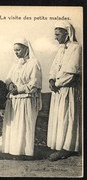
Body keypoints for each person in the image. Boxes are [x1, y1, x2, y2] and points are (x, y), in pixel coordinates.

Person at [47, 21, 82, 161]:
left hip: (68, 89)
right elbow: (54, 68)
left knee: (67, 117)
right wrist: (51, 80)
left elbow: (72, 72)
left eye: (58, 34)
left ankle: (68, 148)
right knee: (58, 117)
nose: (56, 38)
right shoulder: (61, 50)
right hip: (58, 90)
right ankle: (58, 145)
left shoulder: (76, 48)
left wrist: (58, 83)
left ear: (67, 33)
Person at [2, 38, 42, 159]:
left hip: (26, 99)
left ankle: (25, 153)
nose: (16, 53)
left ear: (25, 49)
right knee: (14, 126)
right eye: (15, 50)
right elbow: (8, 78)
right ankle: (12, 151)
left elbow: (34, 83)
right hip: (14, 100)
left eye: (18, 50)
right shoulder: (15, 64)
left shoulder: (34, 63)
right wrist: (10, 85)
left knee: (25, 126)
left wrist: (19, 89)